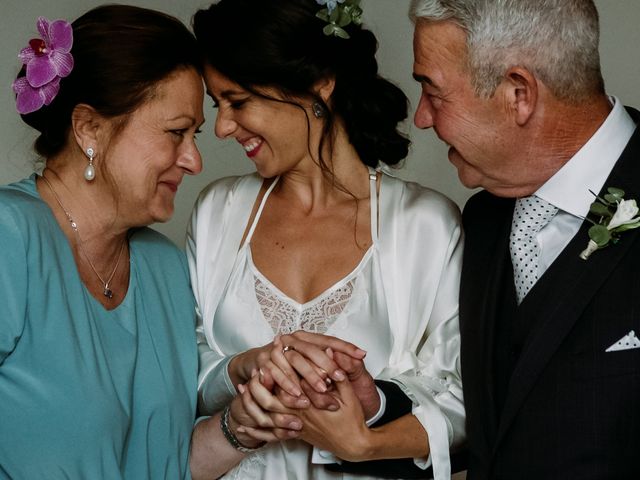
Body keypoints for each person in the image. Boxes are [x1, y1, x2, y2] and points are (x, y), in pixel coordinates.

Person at [186, 0, 465, 478]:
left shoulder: (427, 223)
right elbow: (173, 368)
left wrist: (372, 403)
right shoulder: (218, 210)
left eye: (238, 101)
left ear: (319, 84)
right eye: (218, 105)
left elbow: (462, 396)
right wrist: (240, 368)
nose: (221, 127)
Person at [372, 0, 639, 478]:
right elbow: (493, 423)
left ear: (519, 93)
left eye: (433, 90)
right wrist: (372, 409)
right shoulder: (482, 220)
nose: (422, 119)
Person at [0, 5, 244, 479]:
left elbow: (166, 464)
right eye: (176, 132)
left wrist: (243, 427)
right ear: (90, 127)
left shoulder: (165, 268)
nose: (195, 160)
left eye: (193, 135)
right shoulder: (11, 237)